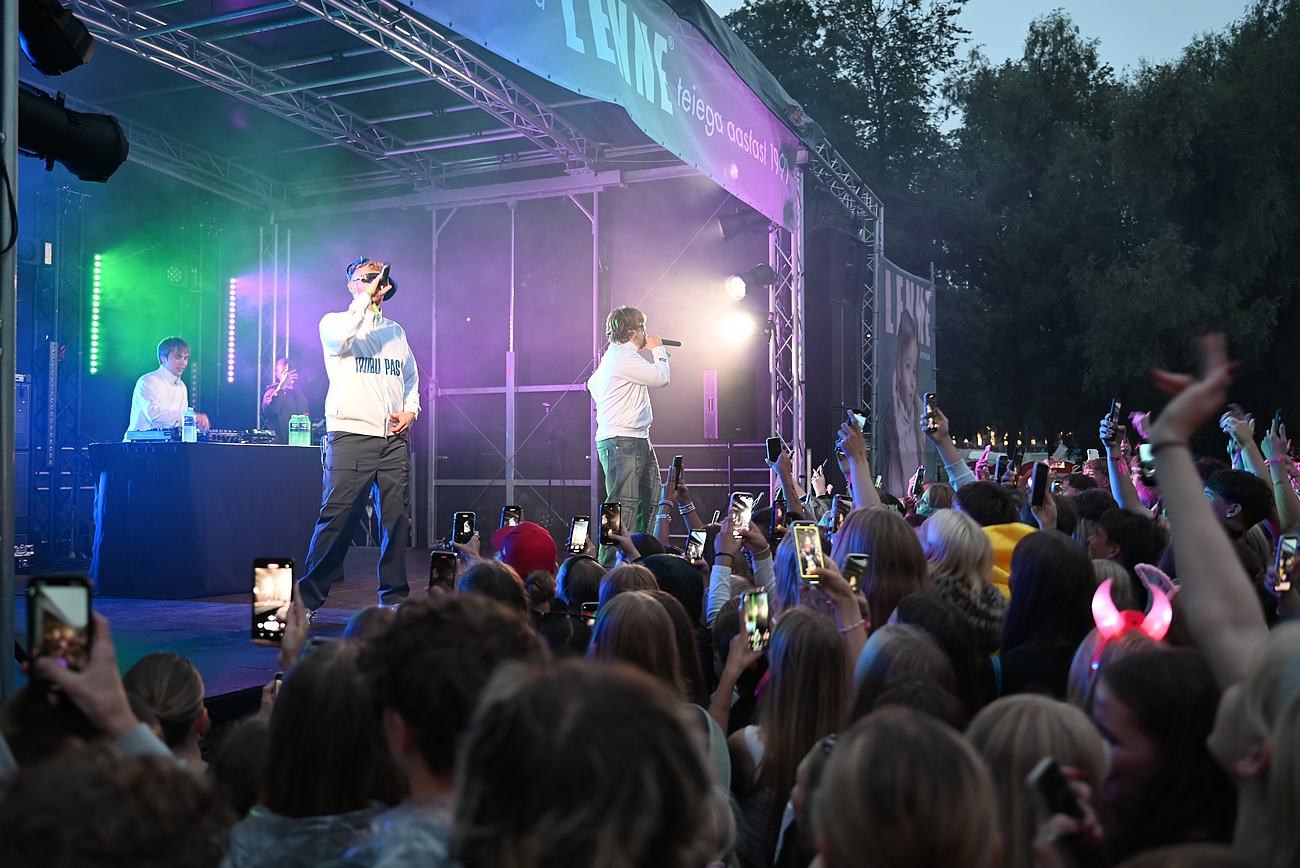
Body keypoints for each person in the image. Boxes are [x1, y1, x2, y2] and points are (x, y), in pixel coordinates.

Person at [298, 258, 419, 616]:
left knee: (396, 522)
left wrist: (411, 411)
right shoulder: (335, 323)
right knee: (337, 521)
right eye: (366, 277)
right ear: (352, 285)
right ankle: (306, 602)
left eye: (379, 276)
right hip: (350, 436)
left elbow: (411, 379)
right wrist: (364, 300)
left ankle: (394, 600)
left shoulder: (396, 332)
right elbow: (341, 338)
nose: (375, 281)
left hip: (392, 440)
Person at [586, 306, 671, 564]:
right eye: (643, 328)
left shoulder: (616, 357)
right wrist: (658, 349)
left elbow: (592, 383)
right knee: (622, 505)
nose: (646, 333)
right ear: (633, 331)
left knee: (649, 501)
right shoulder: (623, 357)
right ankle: (609, 566)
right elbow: (661, 378)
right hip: (622, 440)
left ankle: (638, 558)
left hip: (635, 437)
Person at [876, 309, 925, 497]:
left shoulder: (918, 417)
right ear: (897, 366)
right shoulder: (893, 415)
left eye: (915, 370)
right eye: (907, 366)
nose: (912, 381)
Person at [125, 337, 210, 436]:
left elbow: (179, 422)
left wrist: (196, 425)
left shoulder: (182, 386)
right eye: (178, 357)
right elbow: (153, 414)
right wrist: (190, 417)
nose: (183, 362)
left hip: (167, 443)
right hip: (138, 444)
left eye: (185, 358)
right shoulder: (147, 381)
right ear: (163, 358)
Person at [261, 357, 310, 444]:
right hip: (280, 447)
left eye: (290, 372)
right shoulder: (271, 392)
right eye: (284, 373)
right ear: (277, 374)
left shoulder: (301, 396)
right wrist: (283, 384)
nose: (288, 376)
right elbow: (269, 411)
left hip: (301, 446)